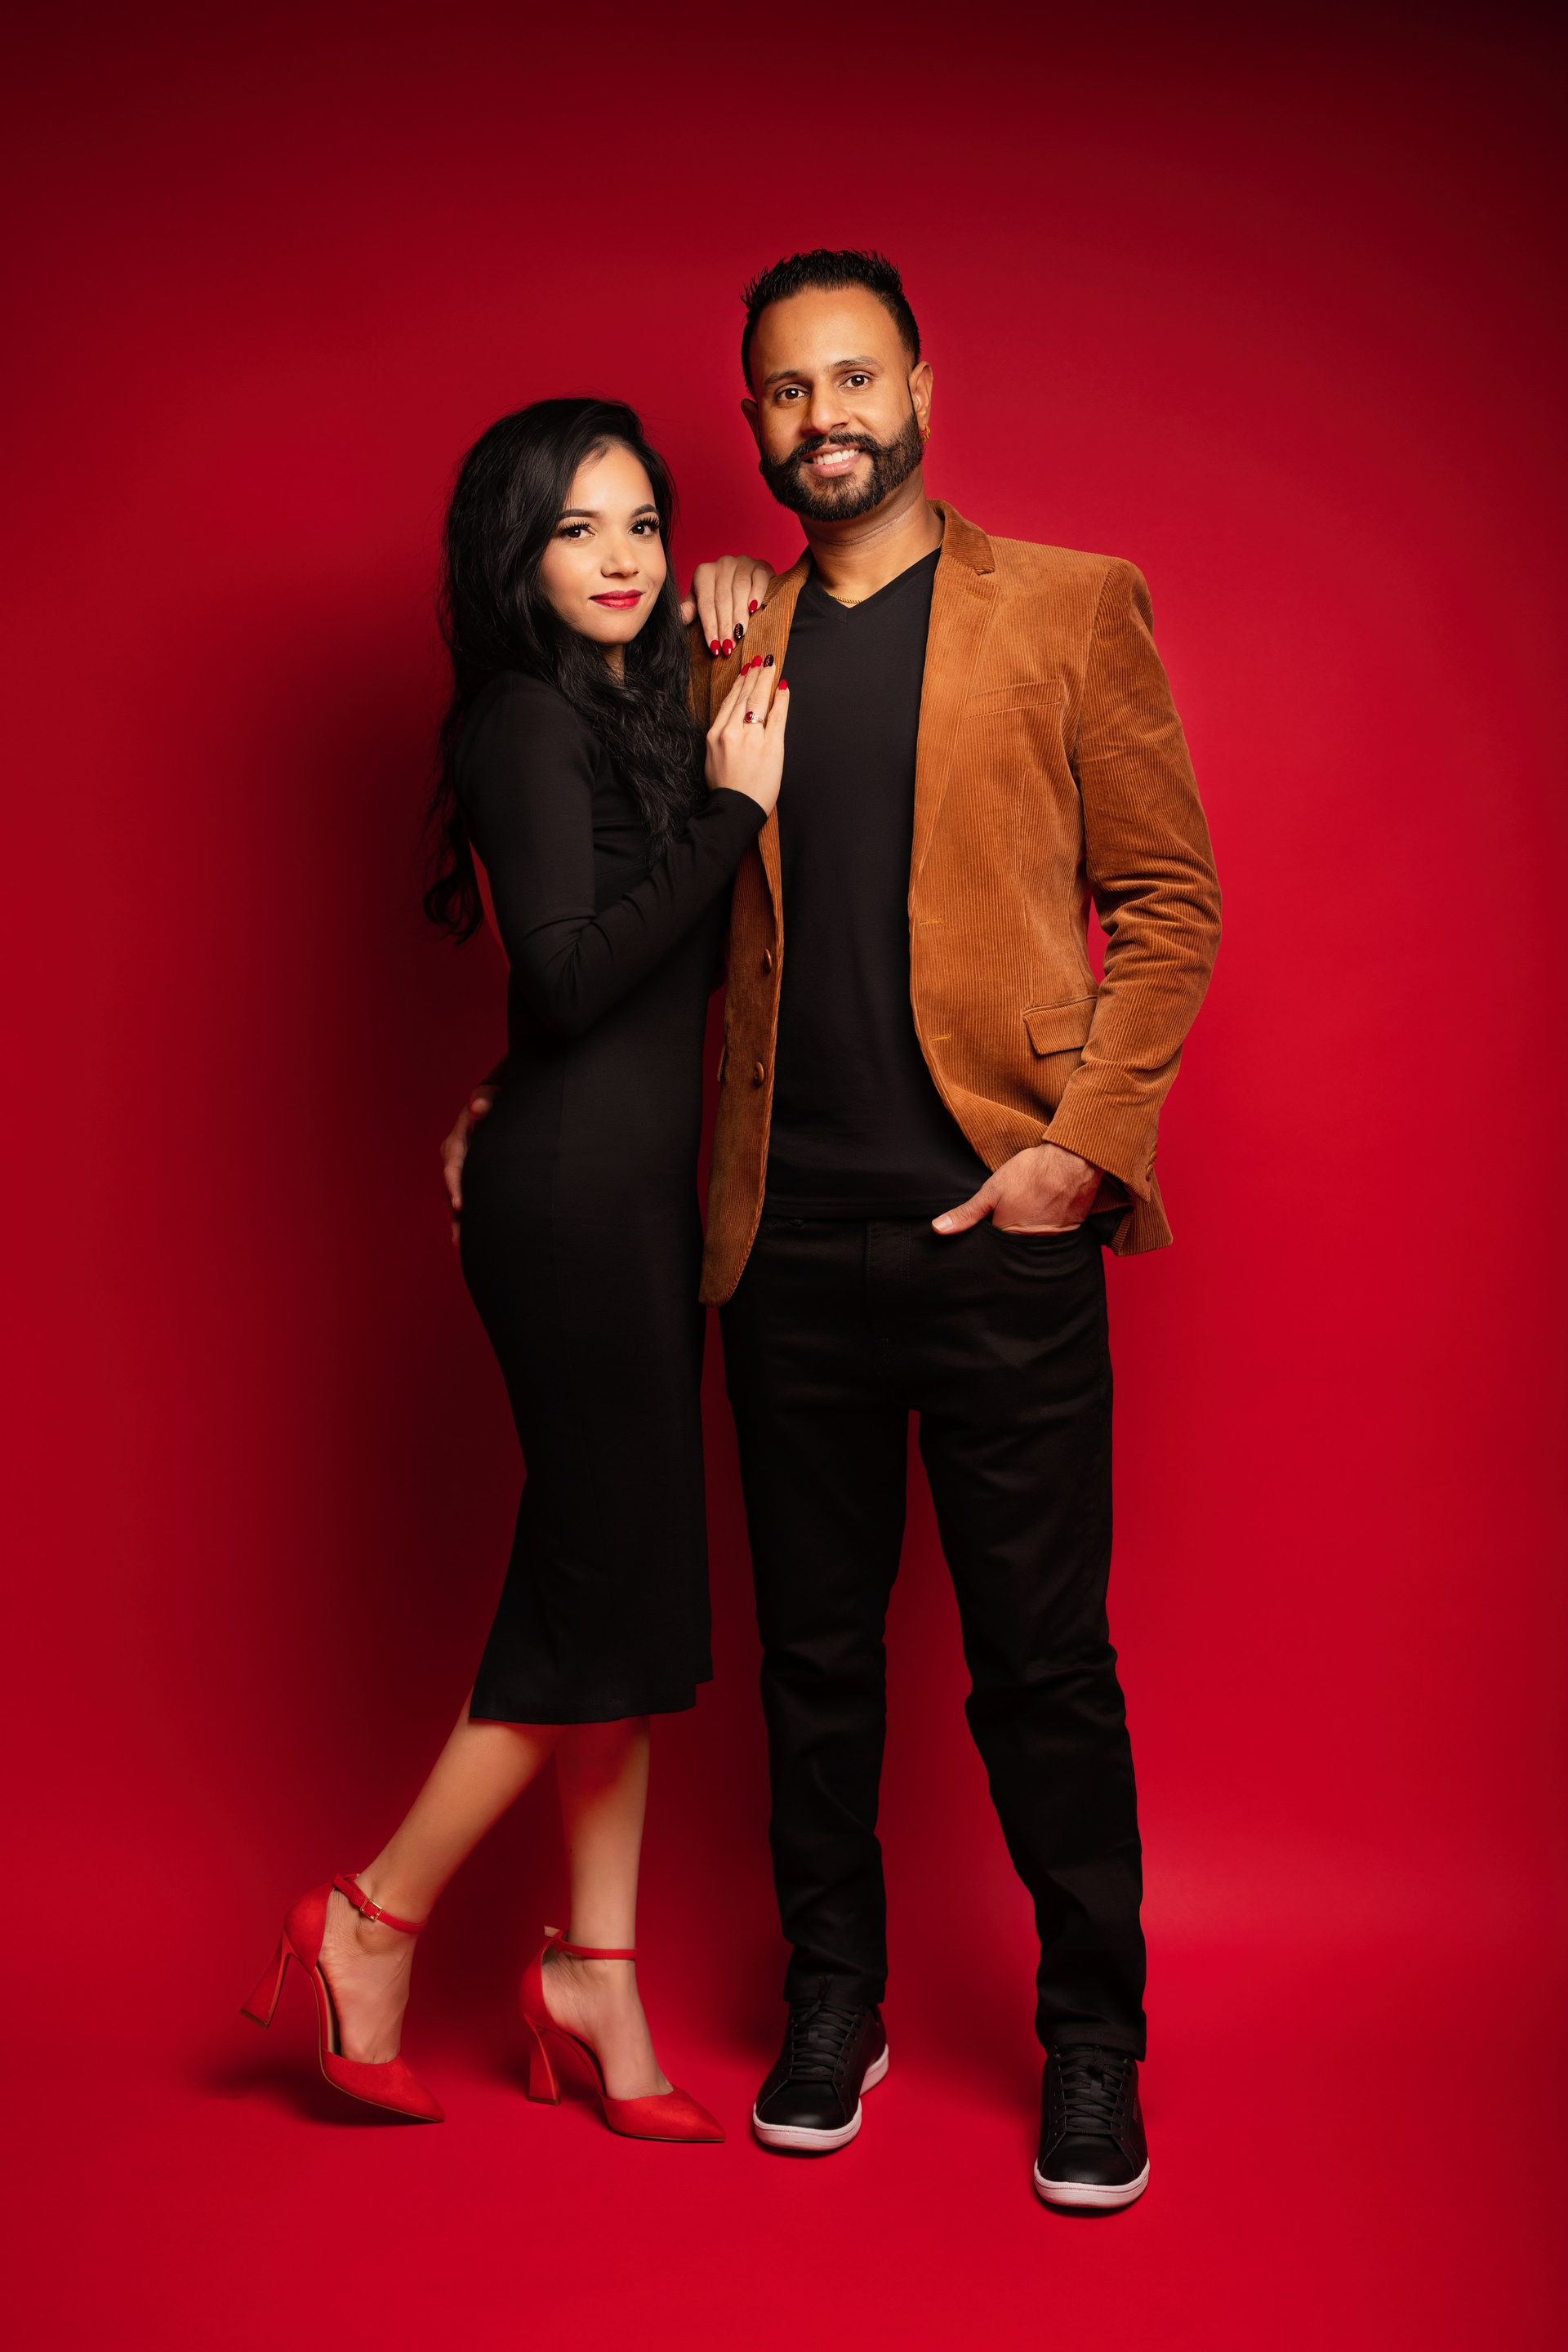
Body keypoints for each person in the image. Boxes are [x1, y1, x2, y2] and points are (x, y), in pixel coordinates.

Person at [445, 249, 1222, 2209]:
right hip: (776, 1248)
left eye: (856, 378)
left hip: (999, 1236)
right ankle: (834, 1998)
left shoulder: (1070, 607)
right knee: (815, 1664)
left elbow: (1172, 905)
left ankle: (1094, 2041)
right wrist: (506, 1103)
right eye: (789, 393)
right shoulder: (718, 643)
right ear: (755, 425)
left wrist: (1083, 1155)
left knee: (1044, 1666)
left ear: (923, 389)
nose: (827, 417)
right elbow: (617, 922)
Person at [242, 397, 787, 2139]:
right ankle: (375, 1917)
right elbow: (563, 975)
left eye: (643, 523)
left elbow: (612, 965)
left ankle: (594, 1979)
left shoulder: (619, 701)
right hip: (569, 1212)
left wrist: (724, 591)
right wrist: (733, 812)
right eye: (577, 529)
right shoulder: (521, 719)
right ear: (514, 552)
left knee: (610, 1596)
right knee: (604, 1590)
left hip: (629, 1197)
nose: (621, 558)